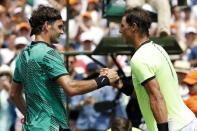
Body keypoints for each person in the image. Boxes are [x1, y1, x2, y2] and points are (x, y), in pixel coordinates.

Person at [9, 5, 119, 131]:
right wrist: (104, 80)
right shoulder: (49, 53)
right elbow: (71, 88)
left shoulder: (23, 55)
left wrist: (30, 117)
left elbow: (14, 94)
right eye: (59, 27)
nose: (62, 32)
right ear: (46, 25)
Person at [119, 7, 197, 131]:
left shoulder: (139, 58)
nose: (119, 31)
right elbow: (146, 92)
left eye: (122, 26)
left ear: (133, 26)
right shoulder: (158, 49)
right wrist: (119, 84)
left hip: (174, 127)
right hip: (187, 122)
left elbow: (156, 97)